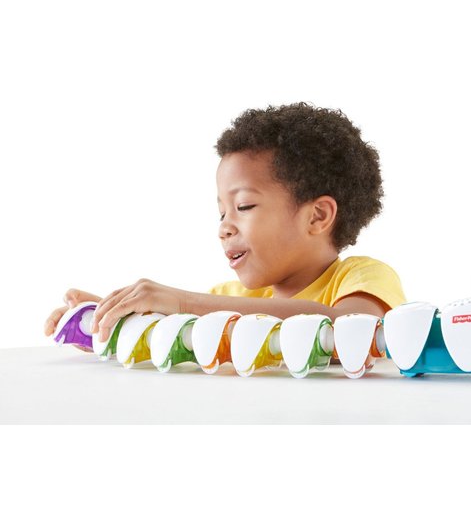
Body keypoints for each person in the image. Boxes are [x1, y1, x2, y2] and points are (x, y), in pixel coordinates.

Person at [44, 103, 406, 349]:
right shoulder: (230, 297)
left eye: (243, 206)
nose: (224, 229)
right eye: (221, 213)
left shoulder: (362, 278)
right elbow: (171, 340)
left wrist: (184, 302)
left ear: (317, 216)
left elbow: (352, 329)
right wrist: (113, 319)